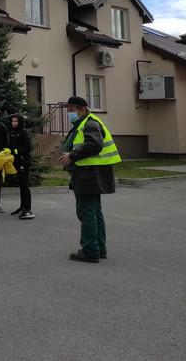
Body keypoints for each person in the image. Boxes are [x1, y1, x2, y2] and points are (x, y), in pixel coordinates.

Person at [58, 96, 121, 263]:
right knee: (94, 213)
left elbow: (94, 145)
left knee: (86, 213)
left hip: (89, 175)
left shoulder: (90, 123)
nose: (69, 113)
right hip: (91, 174)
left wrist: (72, 155)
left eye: (72, 109)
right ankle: (99, 248)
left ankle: (90, 250)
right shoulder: (85, 123)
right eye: (68, 110)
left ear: (83, 109)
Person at [8, 114, 34, 220]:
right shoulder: (12, 133)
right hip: (16, 163)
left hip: (23, 162)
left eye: (16, 121)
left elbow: (27, 148)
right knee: (21, 186)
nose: (14, 123)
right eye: (12, 121)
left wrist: (14, 151)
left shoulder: (24, 133)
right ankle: (22, 207)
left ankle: (27, 209)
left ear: (20, 122)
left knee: (24, 186)